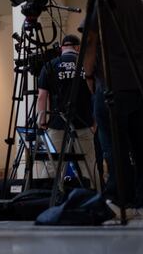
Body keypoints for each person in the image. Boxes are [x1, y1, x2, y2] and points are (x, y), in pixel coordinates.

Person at [83, 0, 143, 218]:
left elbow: (90, 41)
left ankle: (117, 199)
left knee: (114, 146)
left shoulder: (104, 0)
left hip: (112, 82)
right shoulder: (141, 5)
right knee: (141, 145)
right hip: (141, 85)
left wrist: (89, 75)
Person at [37, 34, 98, 189]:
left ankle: (45, 200)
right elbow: (96, 95)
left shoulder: (50, 66)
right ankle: (91, 200)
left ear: (62, 48)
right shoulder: (87, 65)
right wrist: (95, 121)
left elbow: (42, 96)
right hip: (84, 122)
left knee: (53, 165)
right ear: (78, 47)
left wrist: (42, 121)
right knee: (87, 165)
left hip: (57, 124)